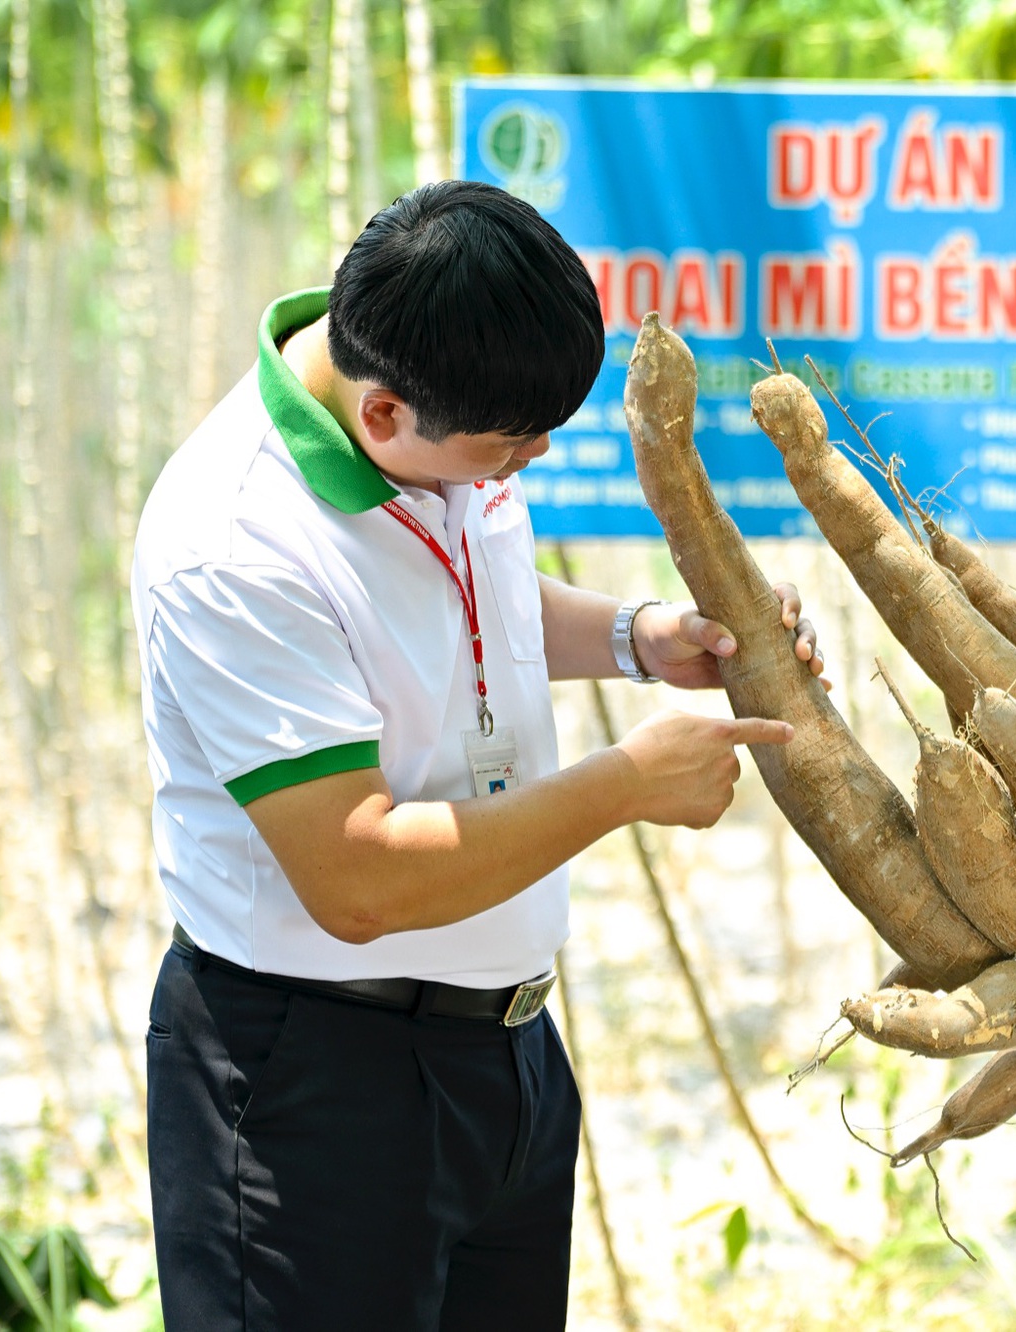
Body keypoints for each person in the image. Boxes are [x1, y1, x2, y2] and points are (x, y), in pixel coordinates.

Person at [133, 180, 826, 1330]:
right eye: (510, 448)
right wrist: (622, 786)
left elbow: (466, 599)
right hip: (317, 1084)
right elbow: (357, 877)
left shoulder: (440, 417)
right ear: (386, 416)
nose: (530, 462)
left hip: (503, 1056)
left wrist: (632, 638)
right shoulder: (233, 548)